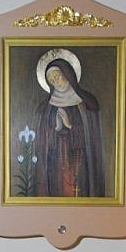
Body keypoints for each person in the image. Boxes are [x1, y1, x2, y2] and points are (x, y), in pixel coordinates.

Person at [34, 58, 105, 197]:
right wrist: (55, 129)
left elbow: (93, 136)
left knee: (80, 188)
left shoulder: (88, 102)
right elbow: (42, 141)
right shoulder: (46, 107)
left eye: (57, 78)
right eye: (52, 81)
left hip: (79, 159)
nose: (56, 83)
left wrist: (70, 126)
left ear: (67, 74)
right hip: (57, 162)